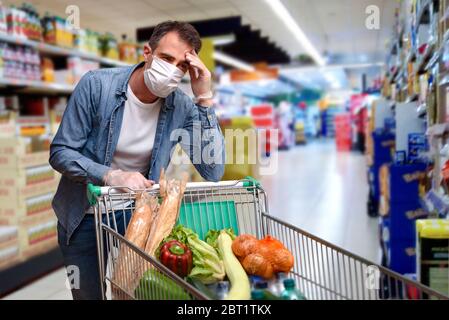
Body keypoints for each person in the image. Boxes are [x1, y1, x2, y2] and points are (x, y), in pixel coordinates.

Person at [49, 21, 225, 300]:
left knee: (140, 293)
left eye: (182, 65)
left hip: (138, 213)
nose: (172, 70)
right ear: (147, 52)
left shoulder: (181, 105)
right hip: (82, 214)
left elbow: (213, 170)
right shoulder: (96, 86)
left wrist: (203, 97)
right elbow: (61, 152)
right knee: (87, 295)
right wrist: (111, 175)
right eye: (167, 58)